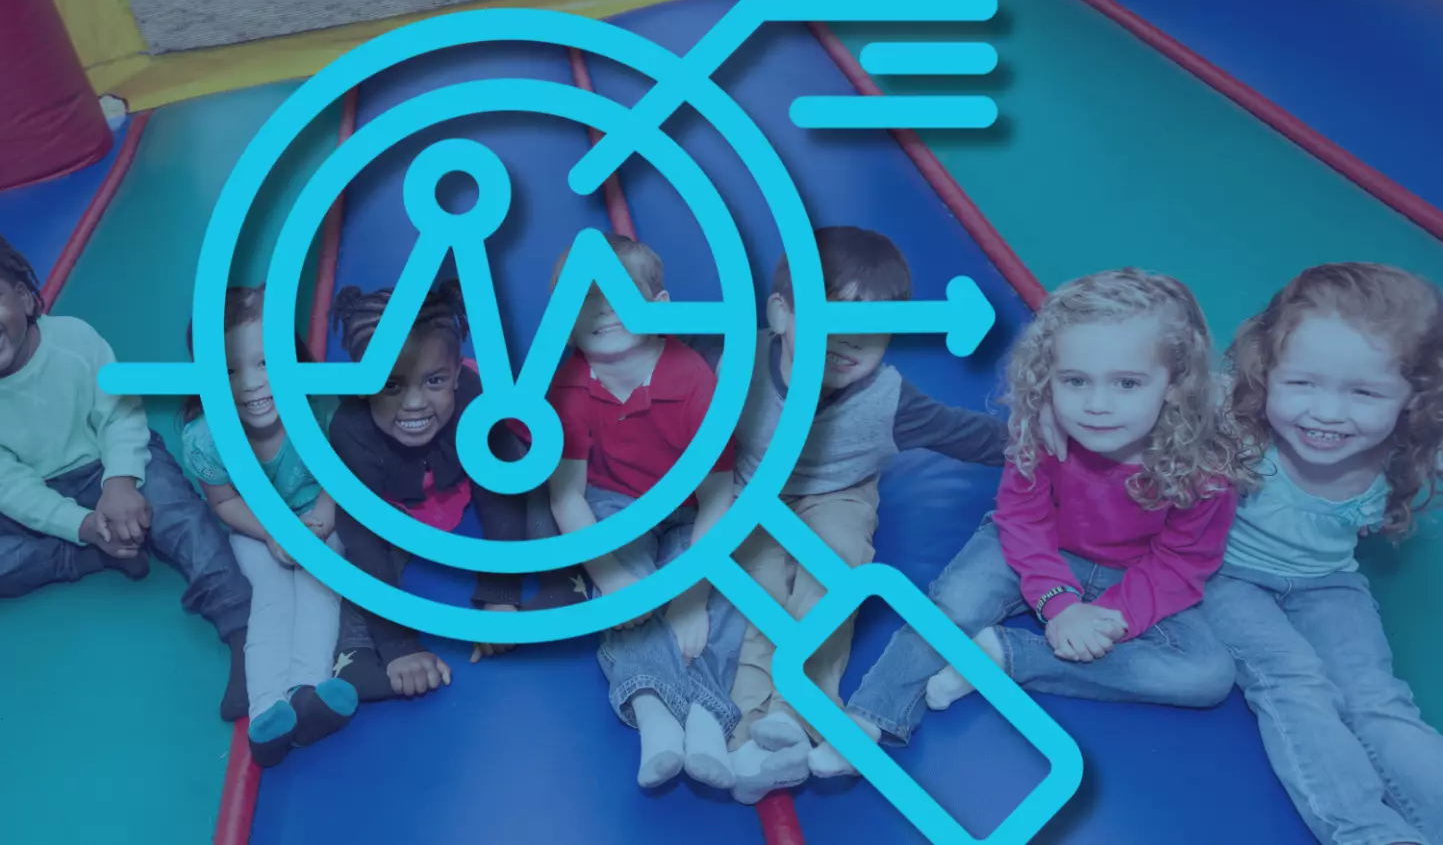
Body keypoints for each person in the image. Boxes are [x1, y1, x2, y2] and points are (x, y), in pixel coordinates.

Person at [837, 268, 1248, 770]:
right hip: (1031, 548)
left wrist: (1112, 617)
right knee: (957, 602)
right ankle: (867, 717)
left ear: (1175, 383)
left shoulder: (1202, 469)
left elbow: (1183, 563)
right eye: (1075, 381)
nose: (1096, 405)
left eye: (1126, 383)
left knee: (1208, 674)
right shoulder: (1045, 430)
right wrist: (1058, 602)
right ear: (1047, 375)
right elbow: (1022, 520)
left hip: (1132, 574)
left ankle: (1004, 656)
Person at [0, 221, 253, 721]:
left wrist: (120, 484)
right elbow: (7, 487)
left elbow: (120, 416)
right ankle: (97, 553)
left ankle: (242, 629)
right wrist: (83, 529)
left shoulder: (74, 339)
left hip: (115, 463)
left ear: (25, 298)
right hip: (42, 495)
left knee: (184, 519)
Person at [693, 227, 1011, 802]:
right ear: (783, 315)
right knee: (754, 590)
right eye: (832, 322)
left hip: (837, 491)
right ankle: (744, 730)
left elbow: (973, 437)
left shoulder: (889, 400)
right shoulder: (733, 363)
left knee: (835, 570)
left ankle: (796, 709)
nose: (848, 344)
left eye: (872, 335)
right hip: (752, 494)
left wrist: (1056, 443)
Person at [1200, 263, 1443, 845]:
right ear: (1266, 372)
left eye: (1364, 392)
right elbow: (1145, 388)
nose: (1327, 414)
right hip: (1223, 574)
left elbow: (1436, 448)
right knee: (1293, 680)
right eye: (1302, 383)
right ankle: (1368, 834)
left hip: (1327, 583)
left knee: (1378, 701)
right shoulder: (1235, 418)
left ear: (1412, 399)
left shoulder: (1410, 453)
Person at [545, 234, 745, 792]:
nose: (603, 308)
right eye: (584, 299)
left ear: (658, 307)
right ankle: (653, 708)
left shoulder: (693, 383)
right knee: (623, 577)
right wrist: (611, 580)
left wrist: (691, 597)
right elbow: (567, 496)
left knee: (726, 582)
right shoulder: (567, 387)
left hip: (689, 510)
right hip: (616, 500)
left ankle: (707, 716)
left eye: (618, 293)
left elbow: (717, 498)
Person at [325, 280, 580, 700]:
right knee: (351, 550)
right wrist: (399, 646)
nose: (413, 403)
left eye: (435, 381)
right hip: (396, 500)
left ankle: (562, 583)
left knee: (531, 476)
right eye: (390, 386)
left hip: (466, 470)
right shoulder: (351, 429)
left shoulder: (475, 401)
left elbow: (499, 498)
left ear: (457, 372)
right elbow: (362, 538)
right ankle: (353, 657)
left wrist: (500, 600)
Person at [179, 288, 355, 767]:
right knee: (273, 601)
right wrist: (271, 534)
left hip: (316, 516)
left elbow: (342, 467)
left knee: (322, 585)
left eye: (265, 362)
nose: (252, 384)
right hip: (256, 527)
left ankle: (308, 690)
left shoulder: (317, 406)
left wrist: (325, 511)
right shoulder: (206, 435)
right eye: (231, 370)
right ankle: (267, 713)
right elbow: (224, 501)